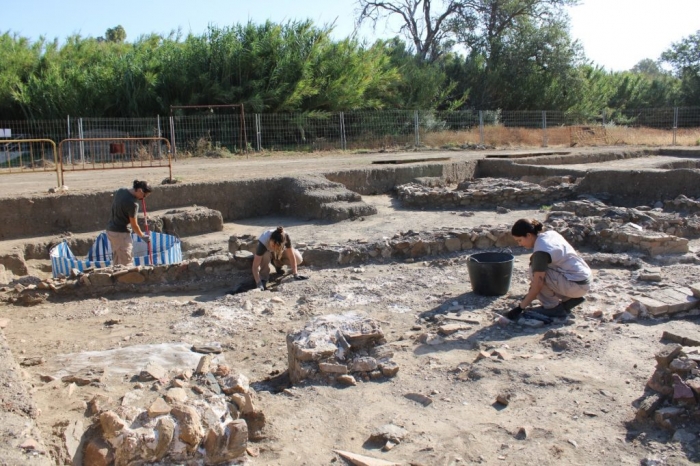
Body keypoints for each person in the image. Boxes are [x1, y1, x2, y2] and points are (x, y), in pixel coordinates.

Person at [505, 218, 592, 321]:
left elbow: (538, 284)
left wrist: (519, 309)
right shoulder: (550, 234)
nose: (520, 244)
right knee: (539, 270)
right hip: (584, 279)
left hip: (576, 285)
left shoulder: (541, 253)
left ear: (528, 235)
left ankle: (553, 308)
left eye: (520, 240)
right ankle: (569, 299)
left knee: (535, 272)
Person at [106, 180, 152, 266]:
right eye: (144, 196)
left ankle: (117, 279)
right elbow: (134, 225)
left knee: (117, 261)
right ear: (140, 191)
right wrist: (143, 236)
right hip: (121, 234)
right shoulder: (133, 204)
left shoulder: (121, 191)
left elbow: (122, 211)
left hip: (111, 231)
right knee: (127, 262)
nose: (143, 199)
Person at [252, 226, 308, 290]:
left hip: (279, 252)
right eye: (273, 245)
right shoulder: (263, 242)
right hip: (267, 252)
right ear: (270, 239)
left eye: (276, 246)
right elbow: (255, 266)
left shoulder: (285, 237)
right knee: (265, 255)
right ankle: (264, 279)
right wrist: (258, 283)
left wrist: (295, 274)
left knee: (298, 259)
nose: (273, 247)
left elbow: (291, 256)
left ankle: (277, 264)